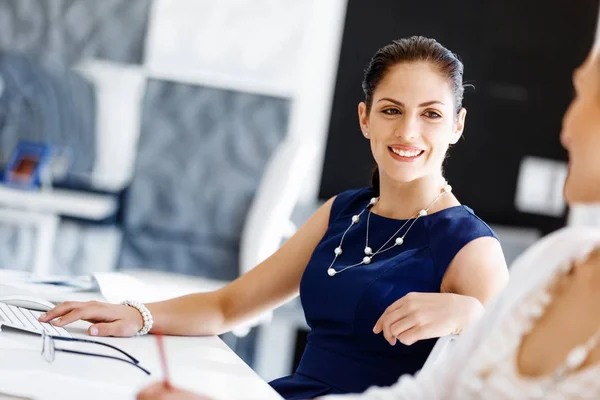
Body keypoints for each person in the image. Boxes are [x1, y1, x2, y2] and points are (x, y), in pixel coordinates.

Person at [39, 36, 508, 399]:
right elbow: (230, 306)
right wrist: (136, 315)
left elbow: (515, 374)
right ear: (365, 118)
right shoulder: (343, 212)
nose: (408, 131)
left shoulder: (470, 246)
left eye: (430, 114)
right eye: (392, 110)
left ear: (457, 126)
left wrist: (473, 313)